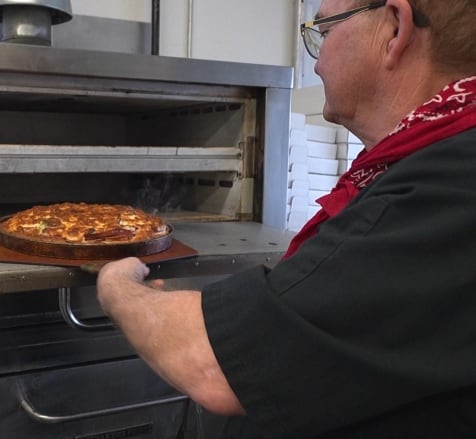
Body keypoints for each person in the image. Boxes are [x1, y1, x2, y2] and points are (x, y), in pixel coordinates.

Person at [96, 0, 476, 437]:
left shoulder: (448, 187)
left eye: (325, 31)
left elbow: (212, 362)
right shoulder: (422, 166)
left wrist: (117, 288)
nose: (315, 65)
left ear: (394, 30)